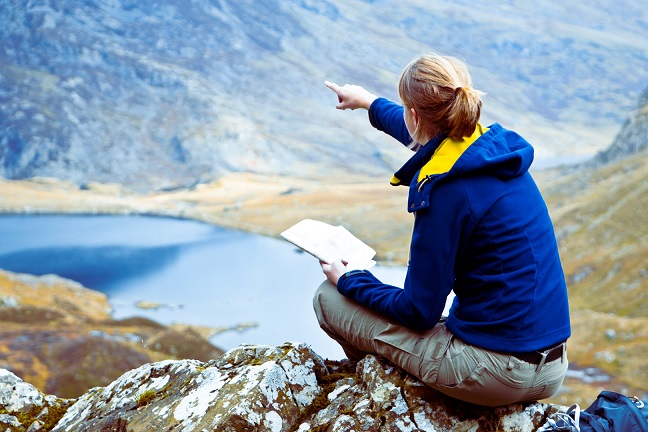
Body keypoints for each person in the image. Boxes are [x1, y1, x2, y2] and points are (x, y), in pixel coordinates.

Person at [314, 53, 571, 406]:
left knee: (329, 299)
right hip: (550, 367)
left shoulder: (446, 190)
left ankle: (380, 391)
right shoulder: (491, 151)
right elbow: (425, 133)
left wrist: (349, 279)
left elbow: (418, 312)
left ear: (415, 114)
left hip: (496, 374)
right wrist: (368, 102)